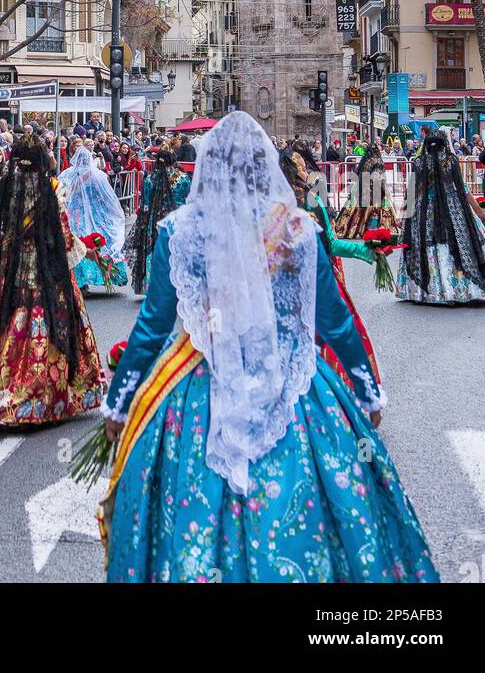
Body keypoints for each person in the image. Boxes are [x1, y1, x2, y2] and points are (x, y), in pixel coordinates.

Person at [100, 112, 439, 585]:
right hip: (295, 386)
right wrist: (367, 392)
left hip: (200, 389)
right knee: (329, 505)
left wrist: (120, 404)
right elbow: (335, 321)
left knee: (184, 505)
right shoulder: (296, 231)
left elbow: (152, 327)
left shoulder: (181, 233)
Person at [0, 133, 104, 425]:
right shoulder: (51, 190)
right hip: (46, 267)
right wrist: (86, 251)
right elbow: (63, 236)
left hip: (10, 264)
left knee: (3, 320)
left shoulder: (2, 186)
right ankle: (41, 397)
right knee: (51, 322)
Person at [279, 139, 381, 390]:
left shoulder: (270, 204)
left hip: (279, 289)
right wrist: (365, 249)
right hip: (317, 282)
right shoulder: (312, 200)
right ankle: (342, 394)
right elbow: (332, 244)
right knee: (336, 334)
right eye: (301, 166)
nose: (305, 170)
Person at [398, 130, 485, 304]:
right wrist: (479, 210)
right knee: (457, 243)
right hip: (452, 209)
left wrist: (404, 213)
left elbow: (412, 190)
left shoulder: (419, 163)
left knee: (428, 245)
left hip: (425, 210)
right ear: (444, 144)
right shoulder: (450, 161)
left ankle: (430, 289)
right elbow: (462, 189)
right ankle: (458, 288)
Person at [58, 145, 128, 290]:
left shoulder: (67, 174)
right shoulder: (99, 175)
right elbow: (108, 197)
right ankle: (111, 275)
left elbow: (61, 192)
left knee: (79, 242)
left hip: (75, 215)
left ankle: (81, 280)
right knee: (96, 241)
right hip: (95, 215)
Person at [124, 147, 191, 296]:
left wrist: (144, 220)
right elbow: (190, 197)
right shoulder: (182, 177)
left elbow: (145, 203)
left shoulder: (150, 179)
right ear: (172, 161)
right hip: (177, 217)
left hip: (155, 218)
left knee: (154, 249)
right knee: (177, 248)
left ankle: (153, 284)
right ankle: (178, 283)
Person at [334, 143, 401, 240]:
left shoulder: (365, 160)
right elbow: (380, 177)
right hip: (375, 189)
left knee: (355, 209)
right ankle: (375, 229)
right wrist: (384, 190)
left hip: (361, 188)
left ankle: (356, 229)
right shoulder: (378, 161)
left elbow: (358, 172)